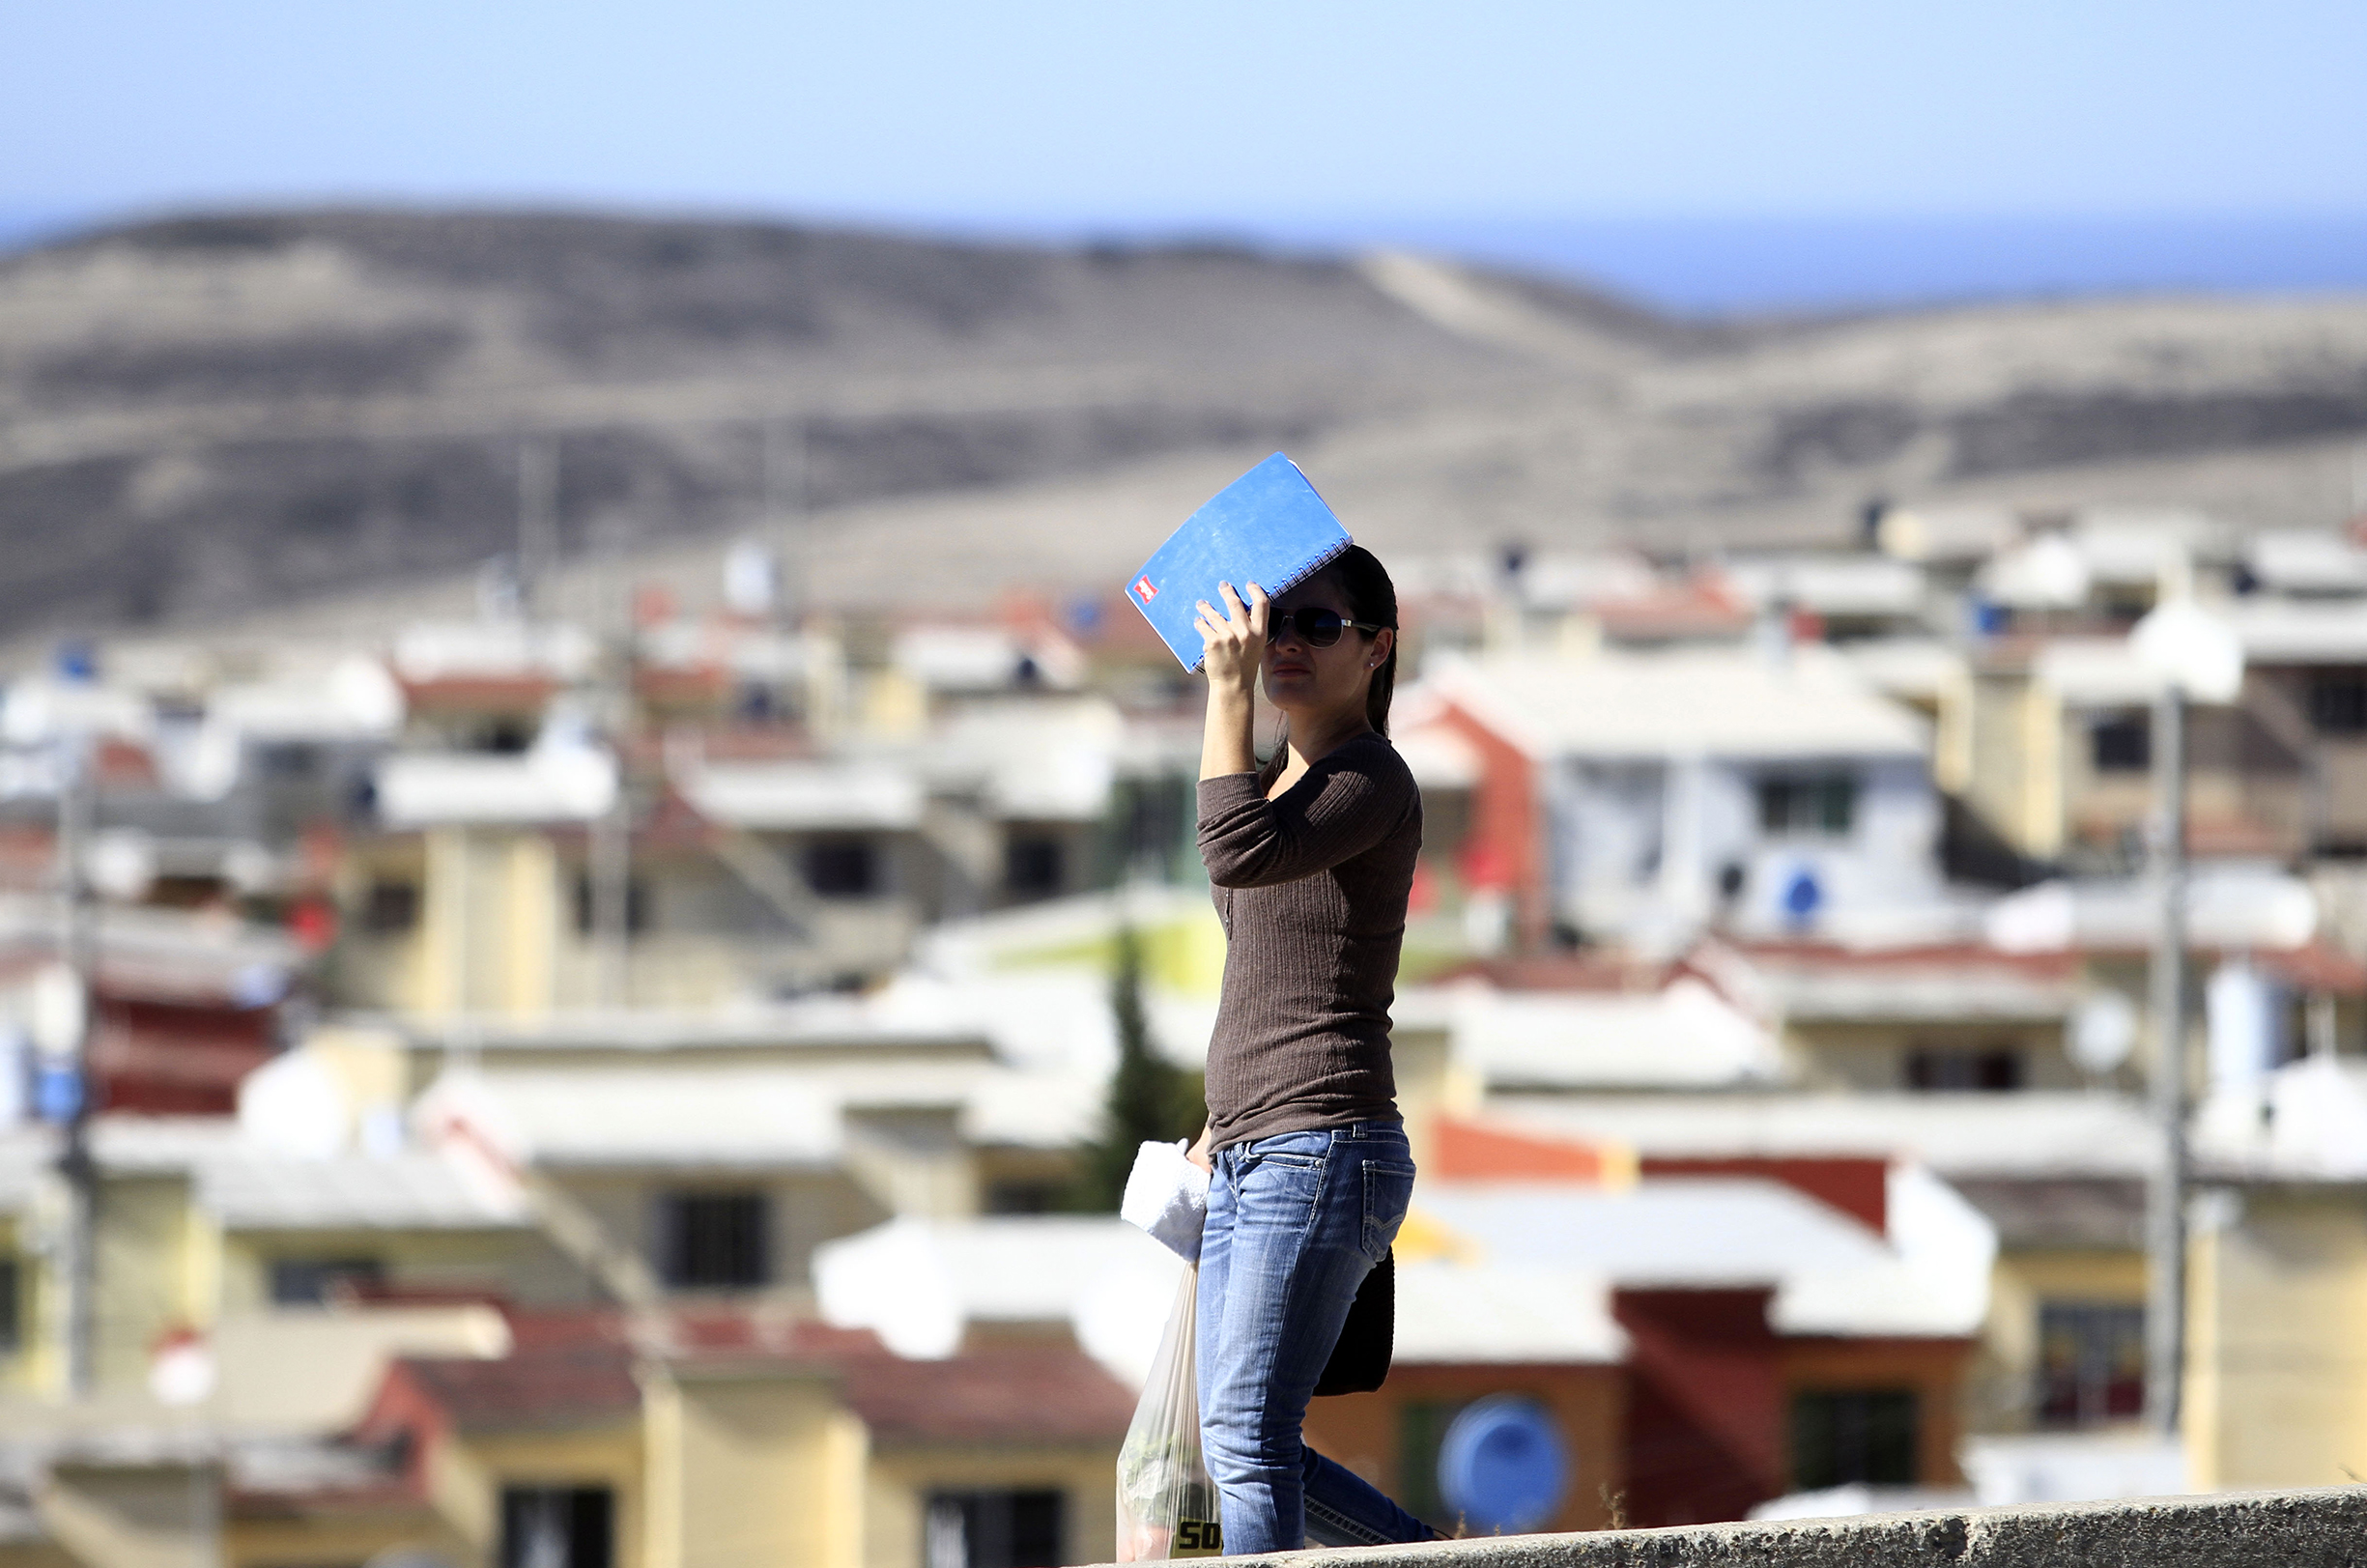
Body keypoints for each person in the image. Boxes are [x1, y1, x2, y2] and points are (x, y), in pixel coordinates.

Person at [1185, 547, 1437, 1554]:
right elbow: (1260, 958)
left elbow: (1231, 853)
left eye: (1316, 626)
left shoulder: (1369, 778)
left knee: (1246, 1440)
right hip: (1253, 1146)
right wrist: (1219, 1120)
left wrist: (1227, 689)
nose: (1284, 642)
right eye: (1271, 621)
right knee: (1239, 1445)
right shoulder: (1267, 784)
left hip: (1323, 1147)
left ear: (1375, 650)